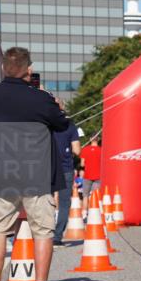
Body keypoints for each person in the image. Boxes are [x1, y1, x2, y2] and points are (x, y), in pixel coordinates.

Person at [0, 47, 69, 281]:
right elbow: (62, 124)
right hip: (35, 175)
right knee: (42, 231)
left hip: (0, 175)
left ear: (4, 68)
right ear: (28, 70)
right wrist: (55, 105)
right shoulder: (40, 99)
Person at [52, 100, 81, 246]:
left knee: (45, 201)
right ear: (63, 107)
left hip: (47, 167)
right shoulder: (70, 125)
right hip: (66, 168)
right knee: (64, 203)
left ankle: (44, 234)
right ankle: (57, 236)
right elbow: (77, 150)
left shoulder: (46, 123)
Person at [79, 135, 102, 218]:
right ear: (98, 139)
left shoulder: (85, 149)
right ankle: (95, 215)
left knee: (85, 196)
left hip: (87, 175)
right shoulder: (101, 150)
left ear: (90, 139)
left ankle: (84, 215)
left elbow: (82, 164)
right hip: (98, 176)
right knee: (95, 196)